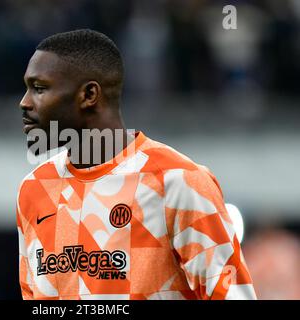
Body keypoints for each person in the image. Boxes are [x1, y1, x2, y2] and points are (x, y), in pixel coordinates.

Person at [15, 29, 256, 300]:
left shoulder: (178, 182)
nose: (24, 103)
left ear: (89, 94)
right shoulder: (34, 189)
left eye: (39, 88)